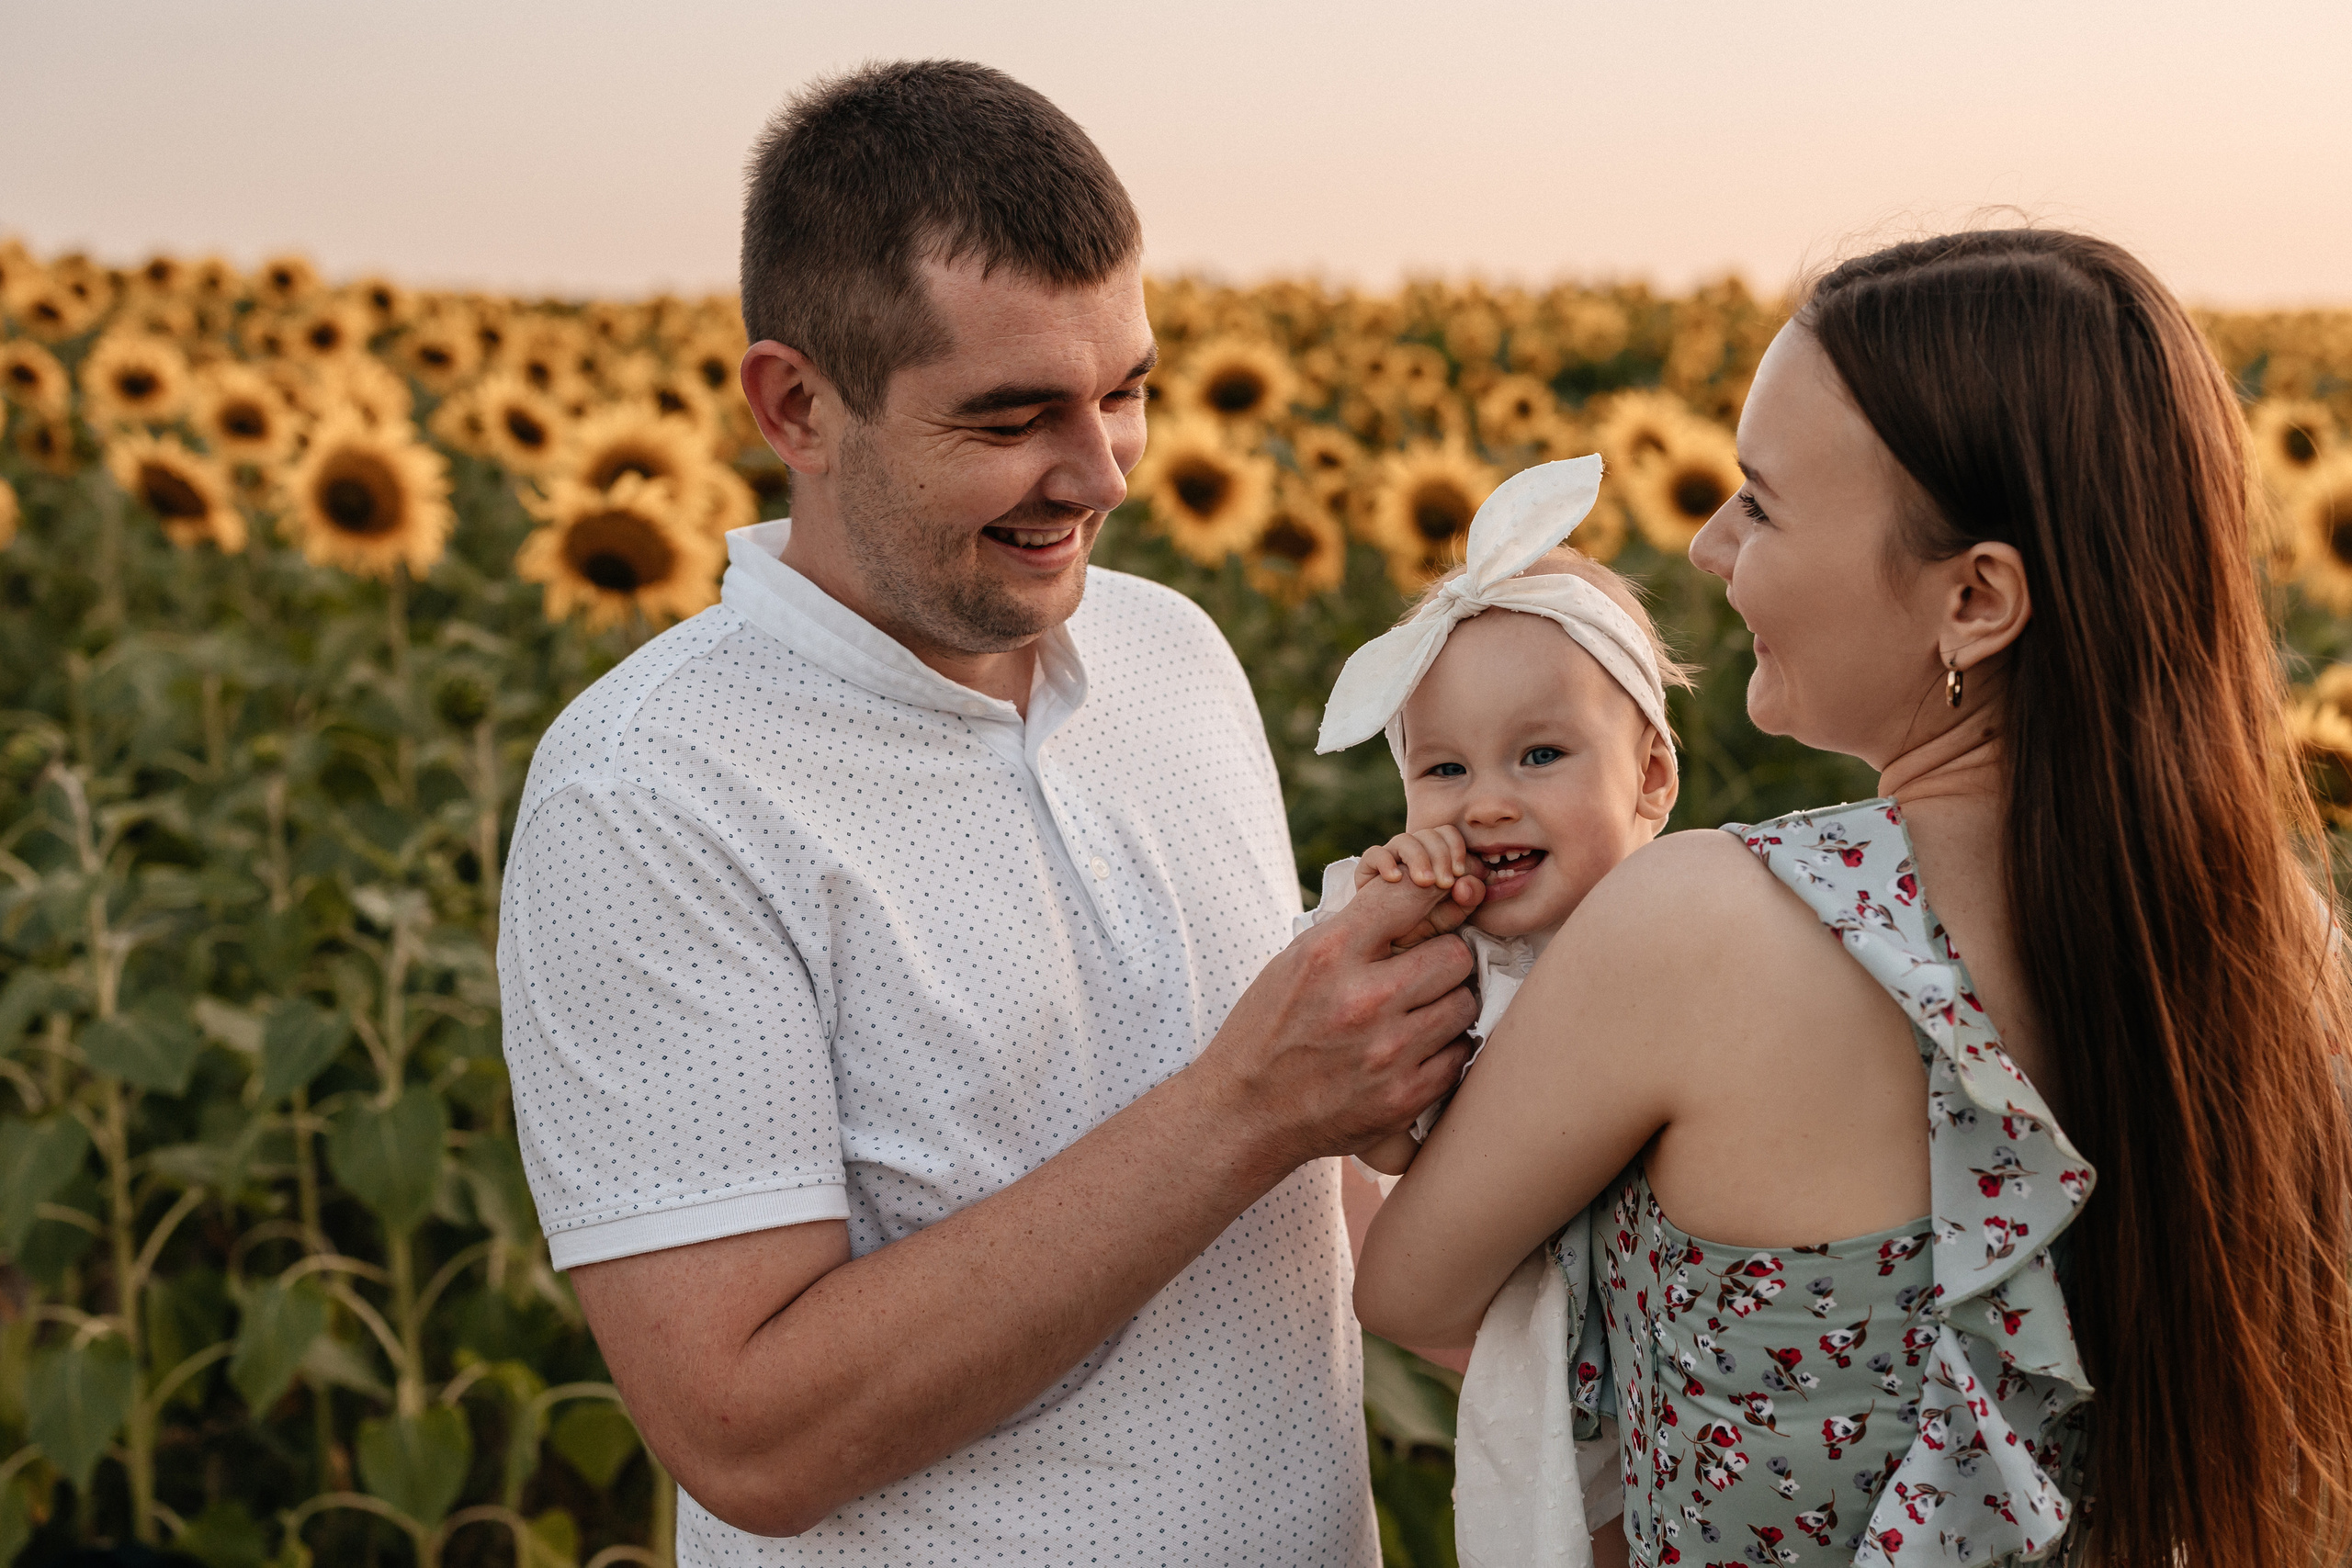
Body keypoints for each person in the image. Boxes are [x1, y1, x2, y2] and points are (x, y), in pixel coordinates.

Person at [498, 61, 1478, 1564]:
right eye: (1012, 416)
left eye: (1127, 392)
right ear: (798, 405)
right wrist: (1250, 1105)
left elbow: (1305, 1178)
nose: (1101, 474)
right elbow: (749, 1431)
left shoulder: (1172, 652)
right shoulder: (653, 795)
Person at [1354, 229, 2352, 1568]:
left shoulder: (1707, 925)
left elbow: (1409, 1285)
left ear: (1975, 598)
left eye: (1760, 505)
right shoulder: (2281, 945)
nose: (1708, 544)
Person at [1299, 454, 1690, 1568]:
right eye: (1443, 770)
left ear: (1650, 780)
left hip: (1703, 1353)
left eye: (1540, 754)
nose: (1486, 803)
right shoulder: (1450, 961)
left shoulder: (1687, 930)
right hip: (1545, 1365)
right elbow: (1384, 1146)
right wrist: (1395, 939)